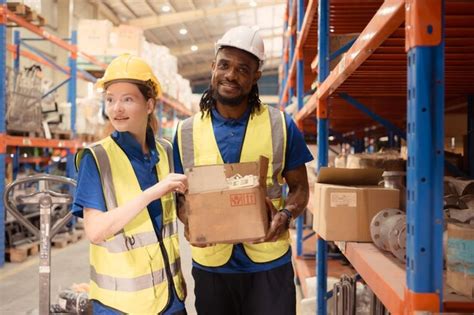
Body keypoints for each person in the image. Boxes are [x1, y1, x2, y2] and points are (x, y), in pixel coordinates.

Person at [173, 26, 313, 315]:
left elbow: (300, 187)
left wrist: (286, 215)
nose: (231, 76)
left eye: (243, 69)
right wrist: (190, 221)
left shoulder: (281, 126)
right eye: (224, 65)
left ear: (255, 77)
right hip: (212, 263)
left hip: (268, 262)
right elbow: (180, 196)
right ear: (213, 67)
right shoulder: (185, 131)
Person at [72, 54, 188, 315]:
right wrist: (153, 192)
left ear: (149, 105)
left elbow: (181, 211)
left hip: (171, 298)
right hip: (120, 306)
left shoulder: (167, 152)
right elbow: (96, 230)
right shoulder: (97, 159)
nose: (116, 109)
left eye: (127, 99)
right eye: (110, 99)